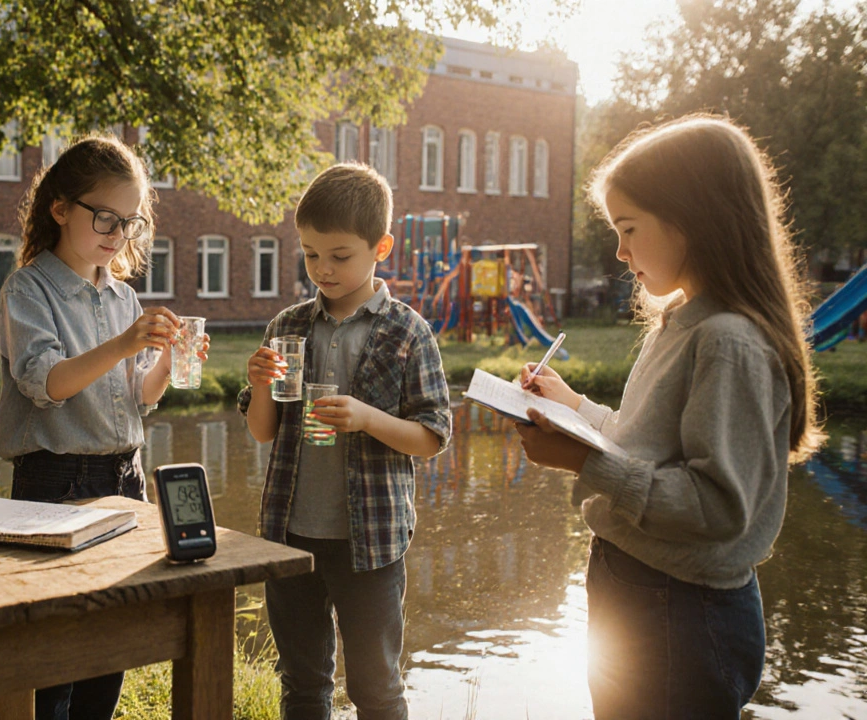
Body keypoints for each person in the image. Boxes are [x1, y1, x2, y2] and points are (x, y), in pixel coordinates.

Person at [515, 115, 823, 719]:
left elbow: (715, 507)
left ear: (692, 218)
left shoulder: (728, 341)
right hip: (640, 589)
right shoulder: (683, 321)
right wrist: (573, 407)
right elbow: (643, 446)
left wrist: (583, 460)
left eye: (629, 229)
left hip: (681, 609)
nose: (621, 252)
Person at [0, 134, 206, 720]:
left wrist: (165, 361)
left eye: (130, 223)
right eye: (105, 218)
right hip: (53, 484)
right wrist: (123, 344)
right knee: (55, 655)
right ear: (60, 208)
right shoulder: (28, 288)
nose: (117, 235)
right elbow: (47, 383)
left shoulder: (123, 299)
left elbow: (137, 398)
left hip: (123, 480)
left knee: (108, 649)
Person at [240, 163, 452, 720]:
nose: (323, 270)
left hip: (373, 543)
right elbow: (263, 430)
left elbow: (431, 438)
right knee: (303, 684)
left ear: (380, 247)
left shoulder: (408, 330)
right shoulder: (288, 324)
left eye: (339, 256)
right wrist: (260, 385)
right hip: (292, 534)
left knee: (376, 687)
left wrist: (366, 417)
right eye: (311, 254)